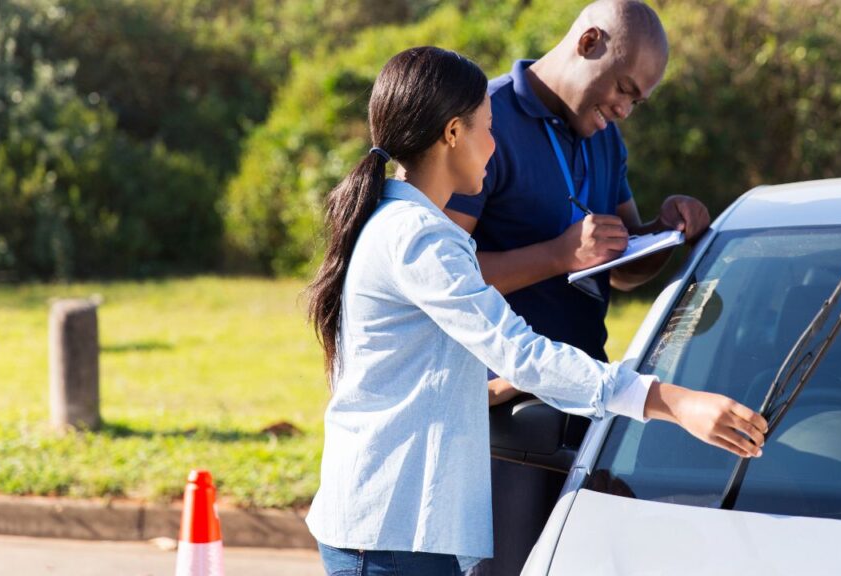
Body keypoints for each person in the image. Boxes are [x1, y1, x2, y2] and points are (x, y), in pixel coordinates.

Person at [305, 46, 766, 576]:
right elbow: (519, 352)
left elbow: (419, 365)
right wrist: (671, 401)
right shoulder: (421, 238)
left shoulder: (396, 219)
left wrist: (504, 388)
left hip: (396, 528)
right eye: (487, 127)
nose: (494, 144)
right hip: (391, 535)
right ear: (453, 134)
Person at [443, 1, 714, 574]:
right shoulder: (485, 118)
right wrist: (558, 255)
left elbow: (619, 266)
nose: (624, 109)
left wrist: (663, 233)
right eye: (623, 88)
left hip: (587, 397)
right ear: (589, 41)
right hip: (501, 415)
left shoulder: (604, 137)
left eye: (637, 101)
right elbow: (440, 280)